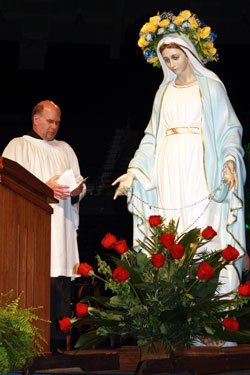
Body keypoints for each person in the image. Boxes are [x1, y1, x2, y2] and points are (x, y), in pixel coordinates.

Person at [112, 10, 247, 296]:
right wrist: (134, 172)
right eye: (167, 59)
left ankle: (209, 308)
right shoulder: (163, 93)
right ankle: (175, 306)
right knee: (172, 234)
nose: (171, 64)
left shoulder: (210, 87)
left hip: (201, 169)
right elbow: (151, 137)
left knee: (203, 233)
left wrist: (230, 160)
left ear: (188, 53)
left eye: (176, 57)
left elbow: (229, 129)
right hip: (169, 168)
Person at [2, 100, 86, 353]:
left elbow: (78, 185)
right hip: (31, 231)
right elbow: (7, 185)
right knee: (32, 285)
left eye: (57, 122)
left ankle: (59, 349)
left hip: (62, 231)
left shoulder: (66, 149)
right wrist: (43, 188)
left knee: (60, 287)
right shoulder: (18, 146)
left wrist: (78, 190)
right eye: (50, 121)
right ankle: (28, 347)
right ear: (35, 119)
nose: (54, 127)